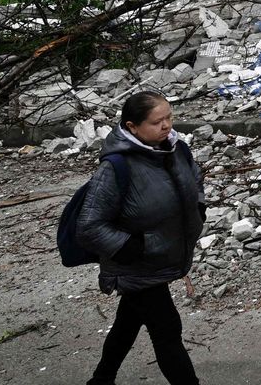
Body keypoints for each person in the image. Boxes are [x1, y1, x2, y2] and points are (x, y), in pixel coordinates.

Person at [76, 90, 206, 385]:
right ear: (132, 127)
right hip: (134, 263)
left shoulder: (176, 150)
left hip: (160, 255)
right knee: (167, 329)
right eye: (156, 122)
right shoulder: (116, 167)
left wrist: (199, 207)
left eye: (169, 118)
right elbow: (88, 225)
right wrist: (129, 247)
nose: (166, 126)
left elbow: (194, 179)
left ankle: (101, 379)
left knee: (129, 320)